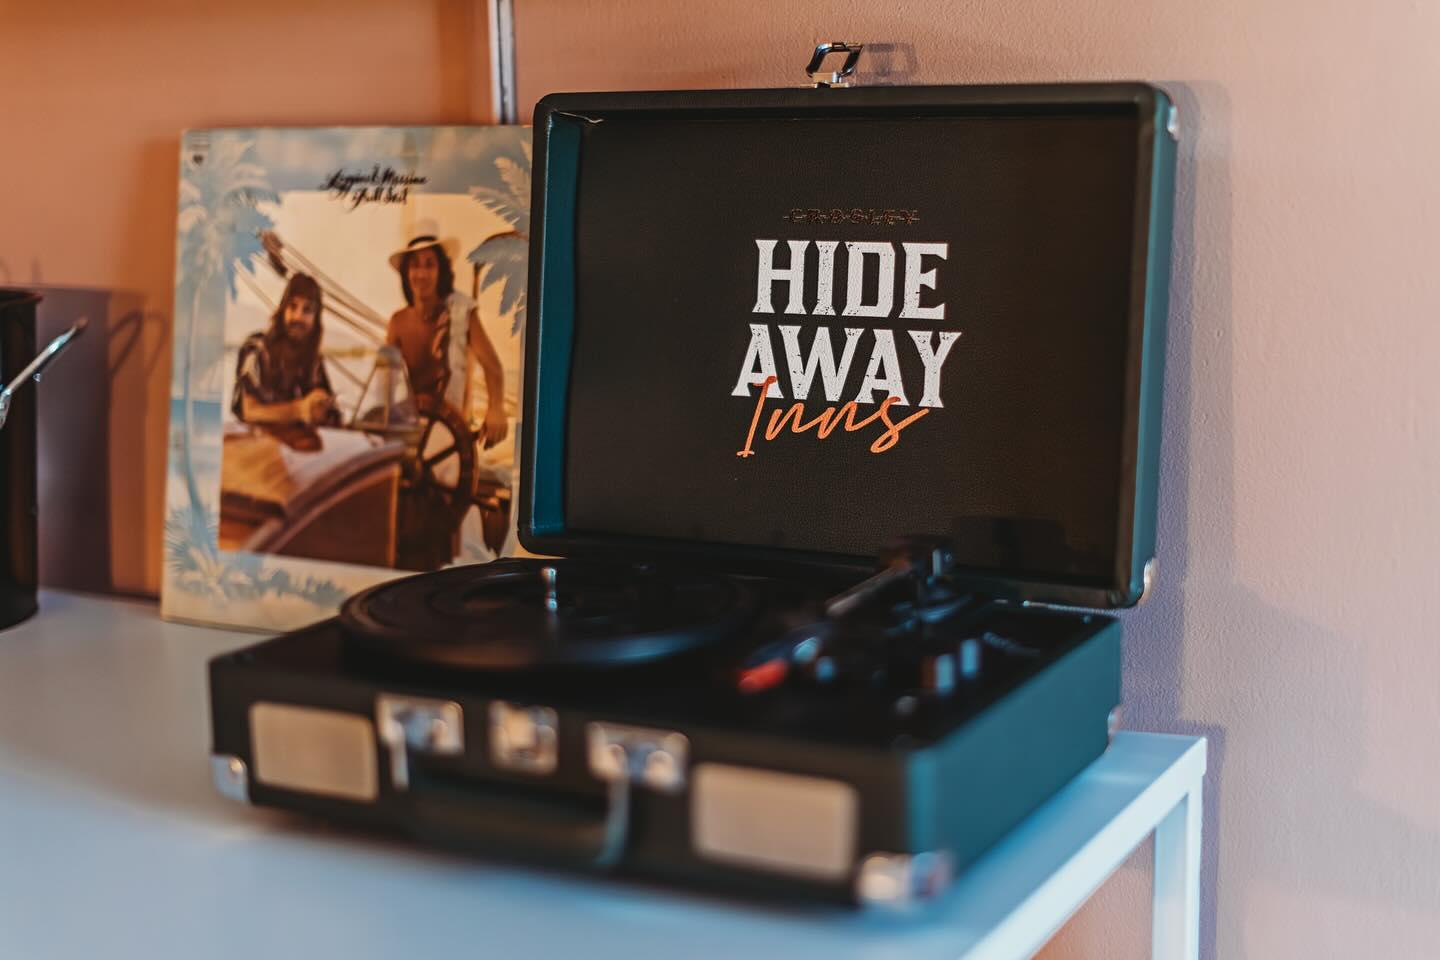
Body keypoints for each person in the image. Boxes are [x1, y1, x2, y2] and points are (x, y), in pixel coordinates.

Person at [385, 228, 507, 447]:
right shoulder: (398, 322)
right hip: (410, 432)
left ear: (441, 270)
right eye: (414, 265)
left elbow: (493, 367)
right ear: (406, 273)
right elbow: (385, 382)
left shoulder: (461, 312)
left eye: (429, 264)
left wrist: (496, 409)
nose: (421, 274)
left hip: (450, 430)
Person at [231, 272, 340, 427]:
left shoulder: (313, 360)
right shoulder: (255, 349)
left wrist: (321, 403)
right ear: (283, 309)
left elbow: (326, 407)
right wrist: (300, 410)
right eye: (292, 306)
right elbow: (250, 411)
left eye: (307, 310)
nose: (297, 317)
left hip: (295, 447)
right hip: (256, 446)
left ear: (316, 319)